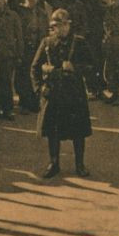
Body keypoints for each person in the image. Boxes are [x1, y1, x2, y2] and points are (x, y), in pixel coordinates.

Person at [32, 9, 94, 178]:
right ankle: (54, 163)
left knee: (78, 131)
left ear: (69, 25)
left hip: (74, 93)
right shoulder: (46, 43)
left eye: (65, 25)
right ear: (53, 27)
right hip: (53, 93)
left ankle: (80, 164)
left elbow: (91, 66)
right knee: (53, 131)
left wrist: (75, 68)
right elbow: (35, 67)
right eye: (57, 26)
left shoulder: (79, 43)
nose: (61, 29)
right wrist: (39, 88)